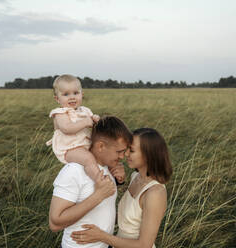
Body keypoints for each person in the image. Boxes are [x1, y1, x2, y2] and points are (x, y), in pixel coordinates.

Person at [71, 128, 173, 248]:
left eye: (132, 150)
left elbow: (144, 245)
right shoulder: (136, 177)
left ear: (148, 155)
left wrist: (101, 236)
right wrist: (119, 182)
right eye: (127, 149)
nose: (126, 154)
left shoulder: (155, 193)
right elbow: (127, 215)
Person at [49, 116, 133, 248]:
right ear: (100, 146)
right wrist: (98, 196)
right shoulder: (73, 171)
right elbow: (55, 223)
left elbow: (102, 208)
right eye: (119, 151)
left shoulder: (106, 168)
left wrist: (118, 181)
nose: (123, 156)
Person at [46, 74, 123, 183]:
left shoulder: (85, 111)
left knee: (102, 155)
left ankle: (114, 174)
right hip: (69, 148)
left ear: (82, 94)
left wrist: (94, 119)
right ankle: (100, 180)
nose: (72, 97)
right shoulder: (60, 114)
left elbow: (92, 122)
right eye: (66, 94)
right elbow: (67, 129)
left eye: (76, 93)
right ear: (57, 99)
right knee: (88, 159)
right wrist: (85, 121)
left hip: (86, 144)